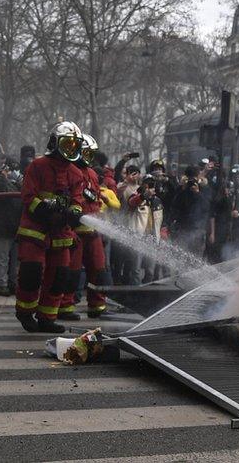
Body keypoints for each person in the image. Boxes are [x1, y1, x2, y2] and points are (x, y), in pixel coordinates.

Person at [14, 121, 84, 333]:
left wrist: (74, 212)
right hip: (35, 230)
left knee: (59, 276)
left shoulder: (76, 174)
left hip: (61, 234)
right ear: (55, 143)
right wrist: (45, 209)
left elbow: (77, 201)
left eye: (74, 145)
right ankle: (25, 313)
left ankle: (47, 317)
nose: (70, 149)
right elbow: (28, 197)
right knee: (32, 272)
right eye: (66, 144)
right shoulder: (37, 166)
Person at [60, 134, 119, 319]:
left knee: (98, 270)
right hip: (75, 232)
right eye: (85, 152)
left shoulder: (93, 174)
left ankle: (97, 306)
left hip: (93, 232)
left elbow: (94, 202)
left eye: (90, 153)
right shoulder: (68, 171)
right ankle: (65, 306)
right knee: (72, 272)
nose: (88, 156)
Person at [0, 160, 22, 296]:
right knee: (2, 258)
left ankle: (12, 283)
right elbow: (1, 189)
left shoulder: (20, 184)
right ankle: (1, 285)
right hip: (4, 226)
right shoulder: (0, 183)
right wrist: (2, 177)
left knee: (14, 259)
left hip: (16, 226)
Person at [125, 176, 163, 284]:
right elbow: (132, 203)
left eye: (152, 185)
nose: (151, 187)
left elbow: (161, 219)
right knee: (136, 269)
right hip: (138, 238)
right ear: (143, 185)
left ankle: (147, 291)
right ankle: (135, 292)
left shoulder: (157, 201)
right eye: (148, 185)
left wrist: (162, 232)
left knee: (150, 270)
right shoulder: (136, 196)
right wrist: (144, 196)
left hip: (152, 239)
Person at [170, 179, 209, 256]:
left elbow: (206, 206)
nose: (191, 188)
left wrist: (198, 193)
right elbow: (175, 207)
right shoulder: (182, 195)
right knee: (183, 251)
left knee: (195, 253)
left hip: (196, 228)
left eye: (194, 185)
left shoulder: (200, 196)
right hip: (183, 228)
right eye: (190, 186)